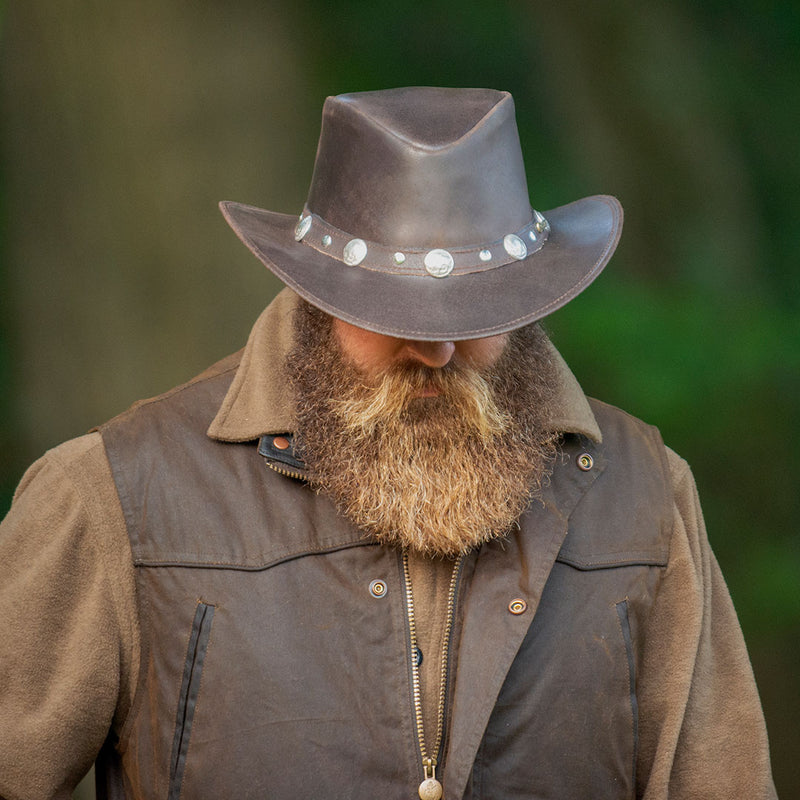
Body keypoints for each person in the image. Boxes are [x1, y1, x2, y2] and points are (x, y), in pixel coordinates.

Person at [0, 87, 776, 800]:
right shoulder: (112, 491)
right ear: (314, 289)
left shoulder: (646, 491)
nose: (435, 352)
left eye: (474, 316)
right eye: (391, 314)